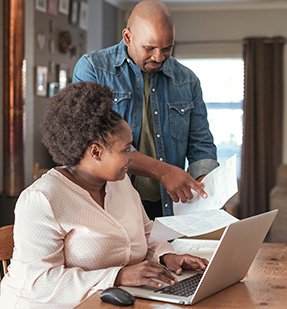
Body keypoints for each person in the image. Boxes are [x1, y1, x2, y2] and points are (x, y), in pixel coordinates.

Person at [0, 82, 208, 309]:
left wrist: (167, 256)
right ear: (96, 152)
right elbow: (40, 283)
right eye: (126, 149)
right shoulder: (43, 199)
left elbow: (146, 233)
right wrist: (117, 276)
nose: (132, 157)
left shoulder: (120, 183)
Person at [73, 0, 218, 219]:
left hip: (166, 208)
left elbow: (201, 145)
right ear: (127, 37)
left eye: (167, 48)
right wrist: (164, 172)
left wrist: (205, 189)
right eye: (149, 48)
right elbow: (98, 143)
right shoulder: (93, 69)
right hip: (108, 206)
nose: (159, 57)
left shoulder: (188, 81)